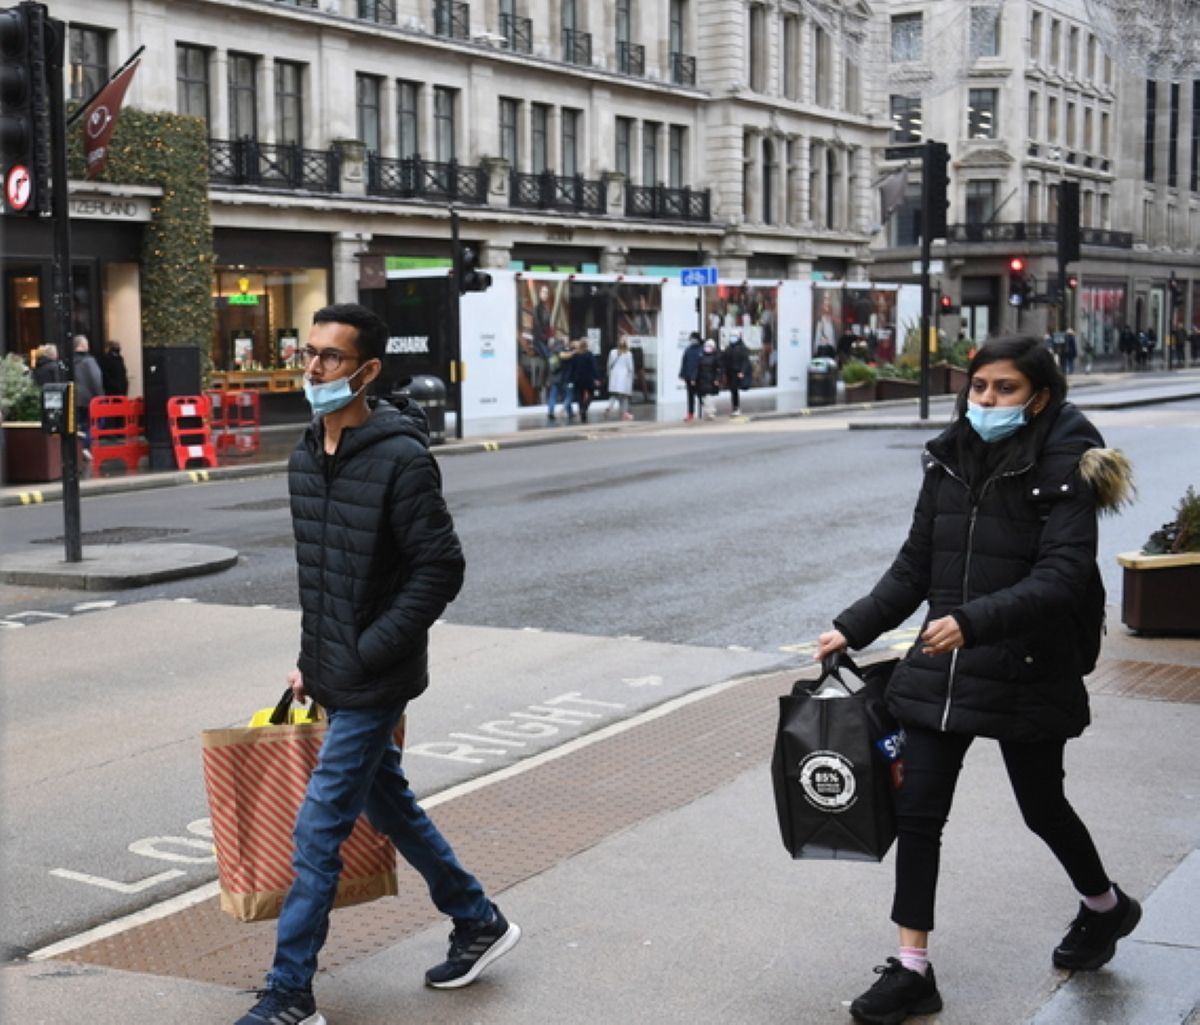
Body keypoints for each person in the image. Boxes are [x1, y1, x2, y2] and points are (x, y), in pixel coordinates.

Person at [813, 335, 1139, 1025]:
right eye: (979, 386)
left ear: (1039, 395)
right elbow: (914, 565)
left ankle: (1106, 906)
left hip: (1026, 664)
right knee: (918, 813)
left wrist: (974, 620)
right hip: (943, 662)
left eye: (1004, 389)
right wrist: (853, 625)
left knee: (1042, 807)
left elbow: (1061, 576)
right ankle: (912, 969)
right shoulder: (950, 456)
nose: (985, 400)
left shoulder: (1068, 466)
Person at [236, 303, 520, 1025]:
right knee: (386, 801)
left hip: (377, 676)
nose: (313, 369)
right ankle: (477, 918)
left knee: (317, 830)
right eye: (307, 353)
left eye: (330, 358)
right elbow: (323, 578)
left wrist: (367, 652)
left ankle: (290, 995)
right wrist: (312, 658)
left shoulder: (400, 457)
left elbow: (439, 568)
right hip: (334, 669)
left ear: (366, 371)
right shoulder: (306, 454)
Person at [72, 335, 103, 457]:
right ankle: (85, 445)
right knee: (98, 422)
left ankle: (80, 447)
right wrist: (100, 396)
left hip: (75, 398)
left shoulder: (69, 361)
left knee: (80, 425)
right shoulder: (89, 361)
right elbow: (96, 379)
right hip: (89, 398)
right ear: (83, 346)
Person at [567, 338, 600, 423]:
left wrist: (571, 378)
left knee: (579, 395)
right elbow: (593, 367)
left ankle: (582, 409)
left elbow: (572, 368)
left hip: (577, 378)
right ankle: (585, 407)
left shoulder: (575, 355)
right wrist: (597, 377)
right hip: (588, 377)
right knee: (591, 393)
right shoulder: (589, 355)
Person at [605, 337, 635, 420]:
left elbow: (609, 364)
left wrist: (609, 374)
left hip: (614, 375)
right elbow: (630, 368)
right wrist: (631, 378)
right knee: (624, 396)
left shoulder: (612, 352)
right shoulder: (628, 354)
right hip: (624, 376)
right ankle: (624, 412)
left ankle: (609, 406)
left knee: (614, 394)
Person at [545, 335, 574, 423]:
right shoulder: (563, 351)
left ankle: (551, 411)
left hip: (554, 377)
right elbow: (568, 363)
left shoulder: (552, 351)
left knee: (553, 396)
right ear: (564, 342)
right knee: (567, 395)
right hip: (562, 377)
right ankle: (570, 412)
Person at [722, 333, 751, 415]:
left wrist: (742, 371)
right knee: (733, 390)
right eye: (731, 336)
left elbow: (745, 361)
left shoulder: (742, 348)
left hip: (737, 371)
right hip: (730, 372)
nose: (732, 338)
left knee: (735, 389)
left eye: (734, 337)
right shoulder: (729, 348)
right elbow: (724, 358)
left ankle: (736, 408)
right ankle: (735, 407)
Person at [679, 332, 704, 421]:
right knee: (690, 396)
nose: (691, 340)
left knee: (701, 395)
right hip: (689, 376)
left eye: (693, 338)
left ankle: (707, 410)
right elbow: (684, 362)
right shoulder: (688, 350)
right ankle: (690, 413)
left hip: (699, 377)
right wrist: (682, 374)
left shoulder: (702, 349)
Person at [695, 339, 722, 419]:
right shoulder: (701, 356)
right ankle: (707, 411)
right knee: (703, 397)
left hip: (711, 379)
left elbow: (719, 369)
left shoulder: (716, 357)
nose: (708, 348)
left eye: (710, 346)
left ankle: (711, 411)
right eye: (706, 346)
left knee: (709, 396)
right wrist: (694, 378)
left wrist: (717, 379)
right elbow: (697, 368)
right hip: (702, 379)